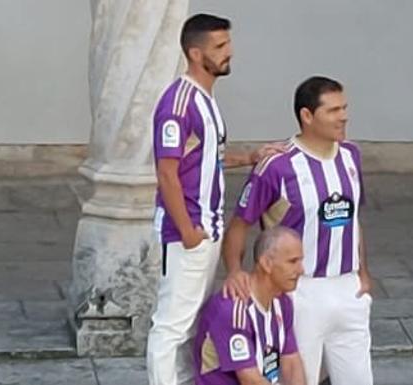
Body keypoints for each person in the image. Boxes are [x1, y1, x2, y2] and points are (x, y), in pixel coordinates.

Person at [147, 14, 282, 385]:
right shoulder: (179, 102)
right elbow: (166, 172)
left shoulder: (204, 100)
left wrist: (249, 158)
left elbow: (206, 158)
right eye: (219, 47)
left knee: (189, 324)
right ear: (195, 53)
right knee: (171, 327)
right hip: (189, 232)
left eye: (228, 44)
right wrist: (188, 231)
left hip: (207, 229)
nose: (229, 53)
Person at [222, 76, 373, 385]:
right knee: (299, 379)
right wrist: (235, 270)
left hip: (348, 290)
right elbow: (239, 223)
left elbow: (354, 218)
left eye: (344, 108)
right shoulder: (277, 165)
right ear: (307, 116)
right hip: (299, 292)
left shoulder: (350, 156)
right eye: (332, 110)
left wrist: (363, 273)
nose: (343, 116)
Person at [193, 226, 306, 385]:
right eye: (293, 261)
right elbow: (250, 381)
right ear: (266, 263)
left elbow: (292, 364)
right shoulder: (233, 309)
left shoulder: (283, 303)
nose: (301, 270)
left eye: (301, 261)